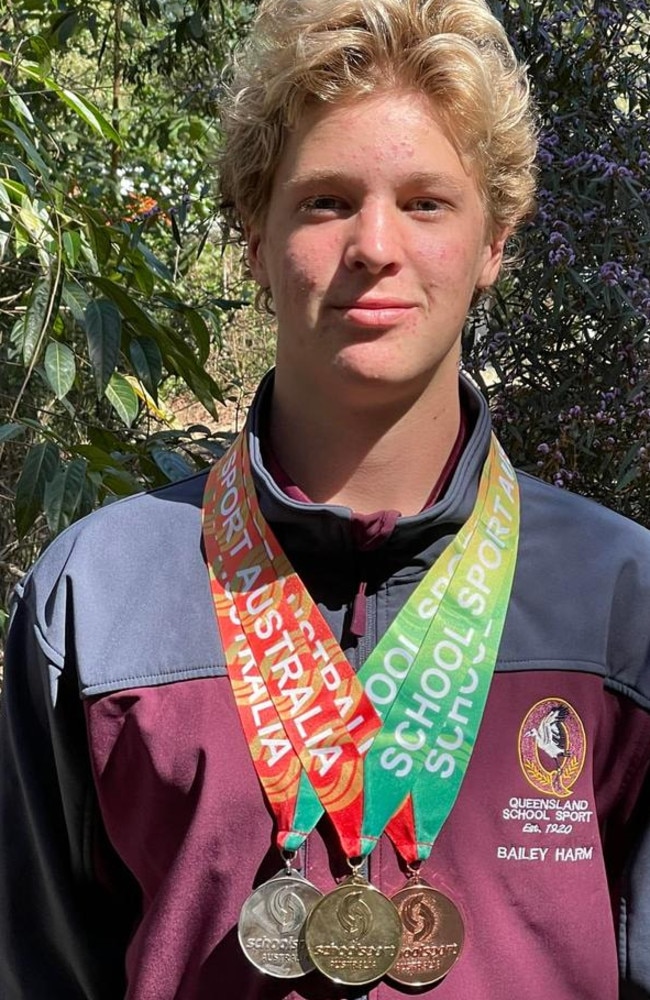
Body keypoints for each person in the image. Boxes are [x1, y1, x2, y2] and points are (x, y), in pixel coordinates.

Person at [1, 0, 649, 997]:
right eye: (324, 201)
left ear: (492, 244)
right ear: (253, 238)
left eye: (426, 202)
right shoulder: (94, 599)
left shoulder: (617, 600)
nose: (373, 245)